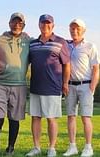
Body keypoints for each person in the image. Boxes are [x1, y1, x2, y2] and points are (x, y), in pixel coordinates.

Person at [26, 14, 70, 157]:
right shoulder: (32, 43)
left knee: (51, 118)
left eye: (48, 24)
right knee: (35, 117)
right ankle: (36, 147)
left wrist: (65, 83)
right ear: (39, 25)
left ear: (53, 26)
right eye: (43, 23)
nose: (46, 26)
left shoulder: (60, 42)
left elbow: (67, 65)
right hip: (36, 86)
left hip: (52, 87)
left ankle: (52, 148)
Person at [0, 12, 30, 156]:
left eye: (20, 23)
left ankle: (10, 148)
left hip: (19, 85)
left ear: (23, 25)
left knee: (14, 118)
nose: (17, 25)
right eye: (14, 22)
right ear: (9, 23)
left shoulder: (29, 41)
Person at [62, 19, 100, 157]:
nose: (74, 31)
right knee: (71, 116)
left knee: (85, 117)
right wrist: (65, 83)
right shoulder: (66, 45)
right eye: (72, 28)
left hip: (86, 85)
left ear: (83, 30)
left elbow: (96, 68)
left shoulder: (90, 46)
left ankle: (88, 147)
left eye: (77, 29)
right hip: (70, 85)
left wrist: (92, 87)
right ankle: (72, 147)